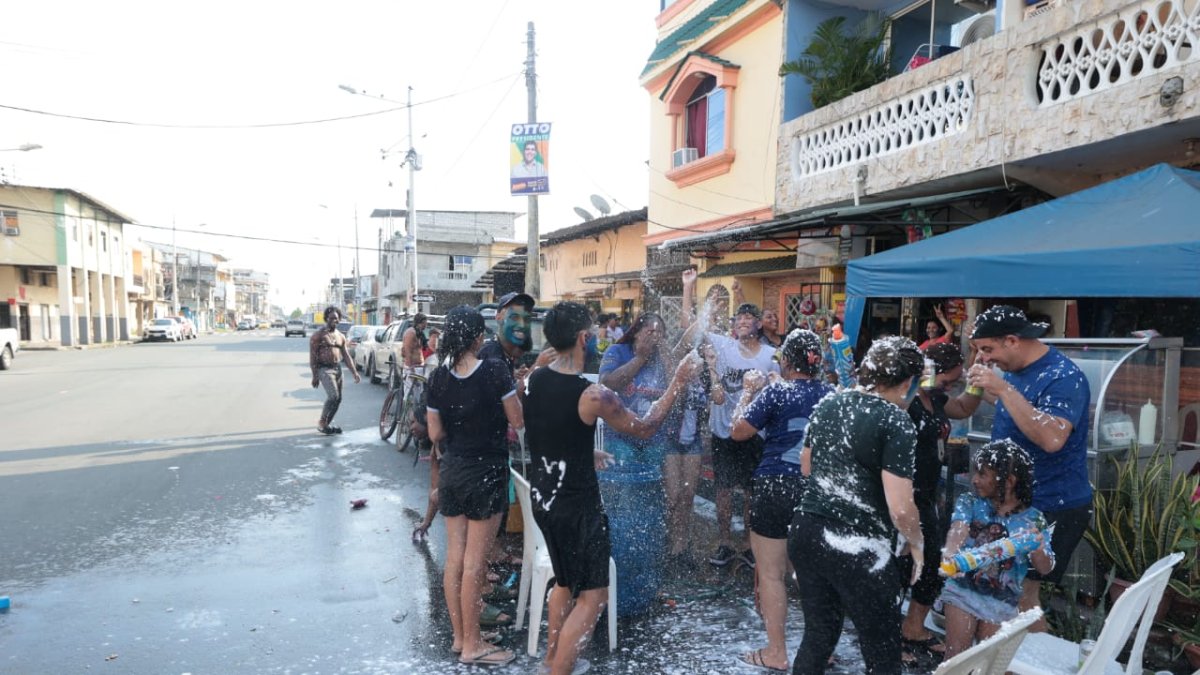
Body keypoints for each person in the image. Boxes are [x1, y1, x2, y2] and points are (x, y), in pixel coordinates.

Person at [524, 301, 697, 675]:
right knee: (594, 596)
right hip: (577, 509)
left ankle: (552, 660)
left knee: (565, 583)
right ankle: (558, 669)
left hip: (545, 500)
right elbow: (646, 426)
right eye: (594, 335)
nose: (598, 342)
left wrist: (586, 450)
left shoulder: (537, 377)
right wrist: (678, 382)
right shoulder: (592, 395)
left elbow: (548, 429)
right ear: (584, 338)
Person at [789, 336, 926, 675]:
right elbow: (901, 509)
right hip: (858, 547)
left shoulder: (830, 403)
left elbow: (806, 466)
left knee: (819, 636)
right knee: (882, 651)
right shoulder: (896, 422)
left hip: (807, 532)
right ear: (908, 382)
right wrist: (917, 543)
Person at [967, 305, 1091, 627]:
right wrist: (988, 389)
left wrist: (1003, 389)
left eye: (988, 349)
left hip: (1051, 505)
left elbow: (1052, 437)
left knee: (1021, 596)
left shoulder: (1063, 377)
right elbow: (1017, 407)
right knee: (1005, 593)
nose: (986, 358)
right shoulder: (1017, 371)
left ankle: (1028, 658)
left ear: (1012, 340)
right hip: (1015, 502)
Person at [425, 305, 524, 667]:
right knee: (475, 563)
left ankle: (459, 637)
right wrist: (517, 390)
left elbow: (435, 433)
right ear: (478, 338)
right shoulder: (496, 371)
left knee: (455, 558)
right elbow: (517, 419)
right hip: (486, 473)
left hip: (453, 472)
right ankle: (473, 644)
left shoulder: (437, 378)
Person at [730, 329, 833, 673]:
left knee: (772, 575)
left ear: (786, 361)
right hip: (816, 491)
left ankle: (777, 652)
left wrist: (747, 392)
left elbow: (738, 431)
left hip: (775, 486)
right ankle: (821, 649)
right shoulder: (832, 395)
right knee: (813, 575)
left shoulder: (776, 391)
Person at [681, 268, 779, 567]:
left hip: (754, 433)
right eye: (739, 319)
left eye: (750, 319)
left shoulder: (770, 354)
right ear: (734, 326)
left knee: (751, 493)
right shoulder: (723, 345)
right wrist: (688, 288)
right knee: (722, 491)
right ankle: (724, 543)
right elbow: (689, 330)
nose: (744, 322)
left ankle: (749, 546)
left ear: (759, 325)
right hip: (723, 430)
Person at [900, 342, 983, 664]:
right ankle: (887, 638)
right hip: (901, 493)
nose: (950, 387)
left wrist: (976, 379)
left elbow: (963, 409)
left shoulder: (935, 398)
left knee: (932, 562)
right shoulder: (906, 398)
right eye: (948, 380)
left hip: (926, 493)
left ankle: (913, 626)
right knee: (900, 566)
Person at [940, 439, 1054, 660]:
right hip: (963, 591)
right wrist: (950, 553)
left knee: (989, 665)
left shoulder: (1033, 520)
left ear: (1009, 481)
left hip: (1002, 601)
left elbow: (1046, 567)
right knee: (956, 660)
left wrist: (1038, 547)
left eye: (982, 474)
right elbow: (958, 529)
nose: (974, 480)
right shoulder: (970, 502)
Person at [664, 340, 724, 570]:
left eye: (699, 360)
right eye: (694, 360)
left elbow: (718, 398)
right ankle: (668, 540)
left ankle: (680, 546)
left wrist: (711, 367)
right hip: (671, 441)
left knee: (688, 495)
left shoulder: (705, 379)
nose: (696, 364)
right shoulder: (675, 378)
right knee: (673, 495)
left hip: (693, 443)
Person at [598, 313, 680, 466]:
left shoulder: (663, 357)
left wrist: (667, 357)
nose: (656, 338)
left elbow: (677, 390)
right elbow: (606, 384)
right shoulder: (617, 351)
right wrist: (640, 358)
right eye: (651, 332)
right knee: (624, 474)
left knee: (653, 482)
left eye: (660, 334)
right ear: (636, 333)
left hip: (653, 437)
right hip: (619, 436)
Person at [308, 306, 361, 435]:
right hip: (324, 369)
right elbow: (313, 356)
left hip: (337, 369)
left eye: (336, 319)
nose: (334, 321)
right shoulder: (318, 335)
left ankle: (326, 424)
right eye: (331, 318)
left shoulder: (341, 336)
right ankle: (322, 421)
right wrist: (315, 376)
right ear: (326, 318)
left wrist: (354, 372)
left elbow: (346, 356)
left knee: (338, 399)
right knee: (333, 396)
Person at [731, 279, 782, 348]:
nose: (775, 319)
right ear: (759, 322)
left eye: (775, 316)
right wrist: (739, 292)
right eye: (769, 317)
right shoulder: (758, 338)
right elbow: (746, 310)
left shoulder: (785, 338)